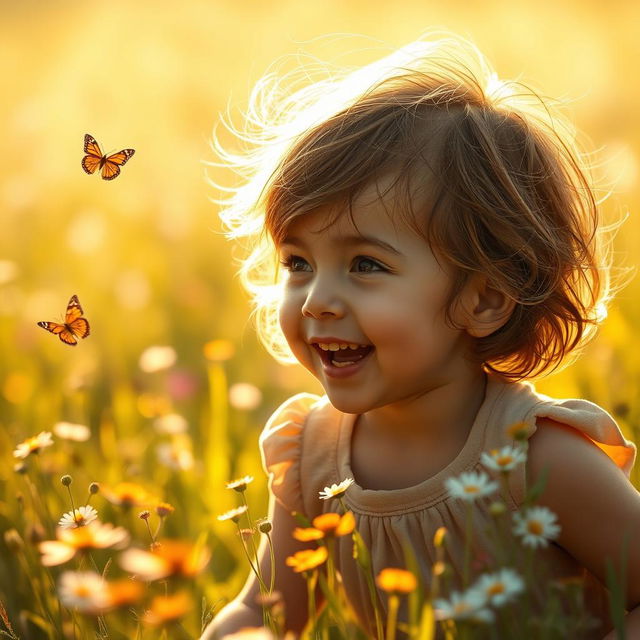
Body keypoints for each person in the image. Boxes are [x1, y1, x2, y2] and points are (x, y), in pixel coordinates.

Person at [202, 32, 640, 639]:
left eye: (366, 265)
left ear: (482, 300)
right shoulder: (314, 457)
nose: (318, 300)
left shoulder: (536, 461)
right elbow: (267, 613)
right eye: (298, 263)